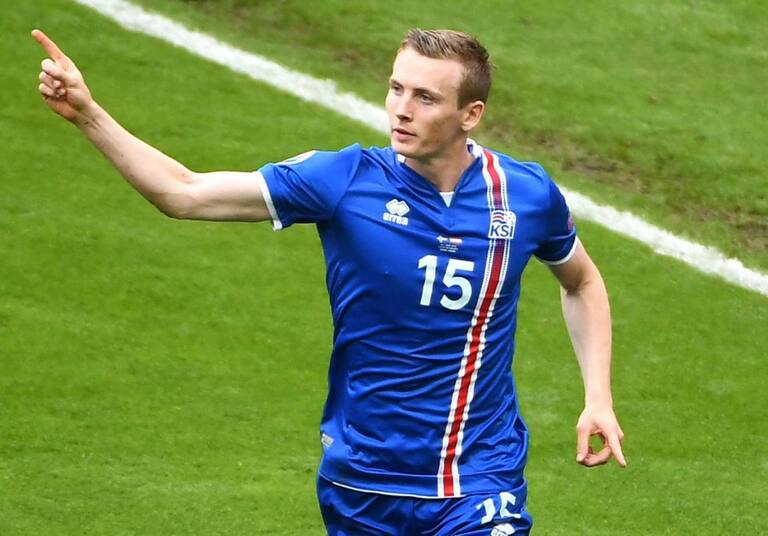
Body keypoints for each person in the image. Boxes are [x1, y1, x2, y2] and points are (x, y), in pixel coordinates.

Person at [33, 26, 625, 535]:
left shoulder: (524, 195)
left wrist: (597, 396)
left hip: (479, 476)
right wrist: (88, 114)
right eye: (396, 88)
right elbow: (183, 193)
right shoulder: (343, 180)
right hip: (363, 479)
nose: (401, 109)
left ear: (470, 115)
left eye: (425, 97)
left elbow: (581, 283)